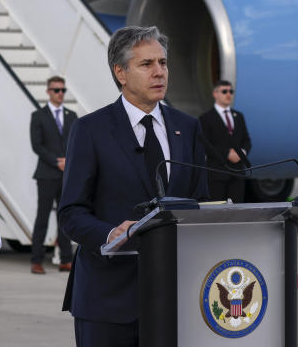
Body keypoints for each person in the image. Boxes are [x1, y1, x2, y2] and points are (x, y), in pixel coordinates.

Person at [59, 26, 208, 347]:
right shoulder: (90, 130)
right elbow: (71, 212)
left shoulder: (188, 128)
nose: (159, 72)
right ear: (120, 72)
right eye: (147, 64)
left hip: (176, 299)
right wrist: (110, 234)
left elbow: (200, 201)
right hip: (108, 300)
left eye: (163, 63)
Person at [30, 75, 77, 274]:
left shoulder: (71, 115)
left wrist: (68, 161)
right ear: (48, 91)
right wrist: (57, 161)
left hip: (66, 174)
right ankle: (36, 260)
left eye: (62, 90)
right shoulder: (38, 116)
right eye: (56, 90)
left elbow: (77, 142)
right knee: (42, 217)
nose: (60, 94)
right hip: (47, 174)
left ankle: (66, 259)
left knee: (64, 216)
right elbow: (37, 146)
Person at [199, 80, 252, 203]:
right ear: (215, 94)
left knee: (237, 209)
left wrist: (242, 152)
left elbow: (246, 140)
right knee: (216, 210)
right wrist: (227, 154)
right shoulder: (206, 118)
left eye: (231, 91)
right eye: (224, 91)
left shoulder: (238, 116)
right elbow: (205, 144)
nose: (228, 94)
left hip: (238, 173)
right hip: (217, 173)